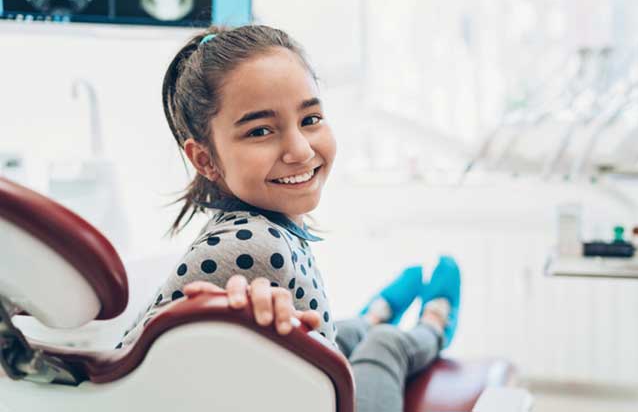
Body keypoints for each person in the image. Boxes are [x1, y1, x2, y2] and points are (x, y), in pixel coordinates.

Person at [120, 24, 461, 412]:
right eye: (261, 130)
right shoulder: (254, 247)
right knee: (386, 348)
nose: (299, 150)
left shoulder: (258, 224)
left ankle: (373, 317)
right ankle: (432, 325)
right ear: (205, 159)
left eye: (310, 119)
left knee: (337, 332)